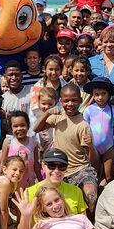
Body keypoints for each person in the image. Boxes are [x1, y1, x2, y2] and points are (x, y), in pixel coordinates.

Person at [34, 84, 99, 212]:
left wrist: (91, 146)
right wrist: (47, 113)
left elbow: (92, 161)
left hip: (80, 169)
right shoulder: (59, 116)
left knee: (90, 194)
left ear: (80, 100)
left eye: (74, 100)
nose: (70, 104)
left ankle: (91, 221)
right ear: (61, 101)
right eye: (66, 101)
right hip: (60, 168)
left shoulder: (83, 126)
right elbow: (36, 128)